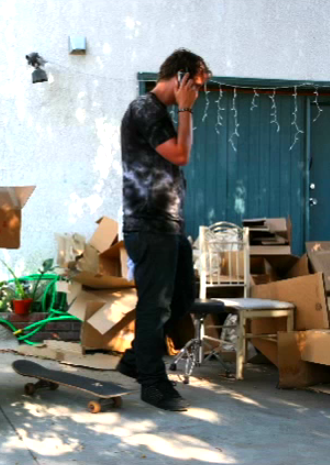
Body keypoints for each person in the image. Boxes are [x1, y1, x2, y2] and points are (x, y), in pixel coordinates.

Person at [117, 48, 211, 411]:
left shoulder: (159, 113)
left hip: (168, 224)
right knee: (154, 306)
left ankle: (134, 360)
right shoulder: (144, 108)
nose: (198, 94)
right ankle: (152, 383)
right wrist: (185, 110)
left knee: (182, 298)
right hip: (148, 222)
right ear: (180, 79)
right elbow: (180, 154)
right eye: (196, 85)